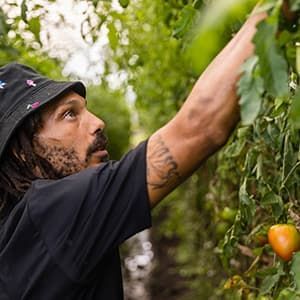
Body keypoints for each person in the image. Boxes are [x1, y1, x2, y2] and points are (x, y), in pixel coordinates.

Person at [0, 7, 266, 300]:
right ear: (21, 152)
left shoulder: (16, 230)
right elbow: (199, 128)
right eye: (69, 115)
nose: (98, 122)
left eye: (84, 108)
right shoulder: (52, 211)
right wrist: (270, 13)